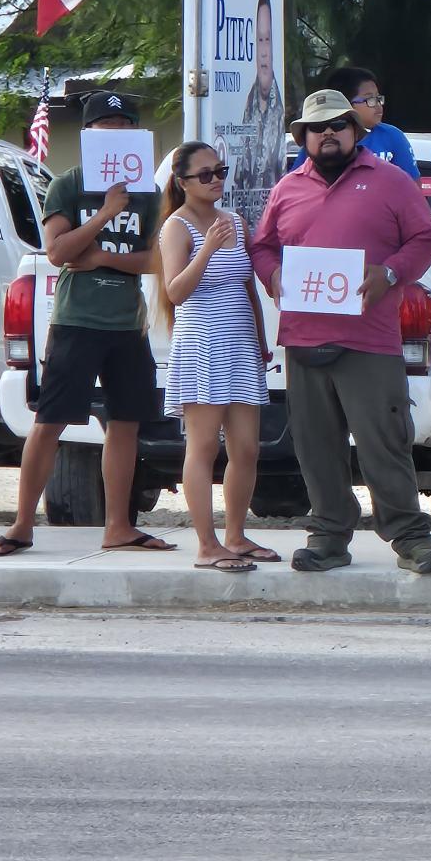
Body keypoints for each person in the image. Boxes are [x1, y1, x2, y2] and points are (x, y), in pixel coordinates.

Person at [250, 89, 431, 574]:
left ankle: (410, 538)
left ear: (355, 131)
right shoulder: (287, 187)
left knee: (384, 441)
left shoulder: (393, 181)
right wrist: (272, 275)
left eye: (338, 124)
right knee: (316, 445)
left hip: (369, 339)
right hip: (303, 339)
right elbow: (263, 246)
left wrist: (393, 273)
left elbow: (426, 238)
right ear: (304, 137)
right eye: (317, 128)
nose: (328, 133)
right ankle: (329, 536)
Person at [0, 92, 174, 557]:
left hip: (128, 324)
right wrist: (106, 213)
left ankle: (119, 525)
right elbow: (59, 252)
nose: (115, 133)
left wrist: (105, 255)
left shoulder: (148, 192)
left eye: (123, 124)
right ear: (89, 135)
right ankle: (22, 524)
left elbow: (160, 260)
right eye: (104, 125)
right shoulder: (68, 184)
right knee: (49, 422)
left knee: (125, 423)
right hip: (77, 320)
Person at [155, 141, 275, 572]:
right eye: (205, 174)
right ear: (183, 182)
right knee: (203, 445)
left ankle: (236, 535)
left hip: (240, 341)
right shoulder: (177, 226)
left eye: (219, 171)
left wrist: (261, 340)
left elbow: (248, 287)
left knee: (246, 447)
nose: (215, 180)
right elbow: (175, 291)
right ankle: (206, 544)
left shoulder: (237, 223)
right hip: (203, 342)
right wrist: (205, 249)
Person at [288, 64, 419, 181]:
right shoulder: (317, 142)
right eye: (369, 99)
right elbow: (294, 186)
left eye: (378, 98)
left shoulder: (392, 136)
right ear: (345, 105)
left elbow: (413, 191)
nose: (378, 105)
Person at [237, 0, 287, 205]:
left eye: (267, 40)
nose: (264, 51)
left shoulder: (280, 112)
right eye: (259, 40)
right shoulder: (248, 108)